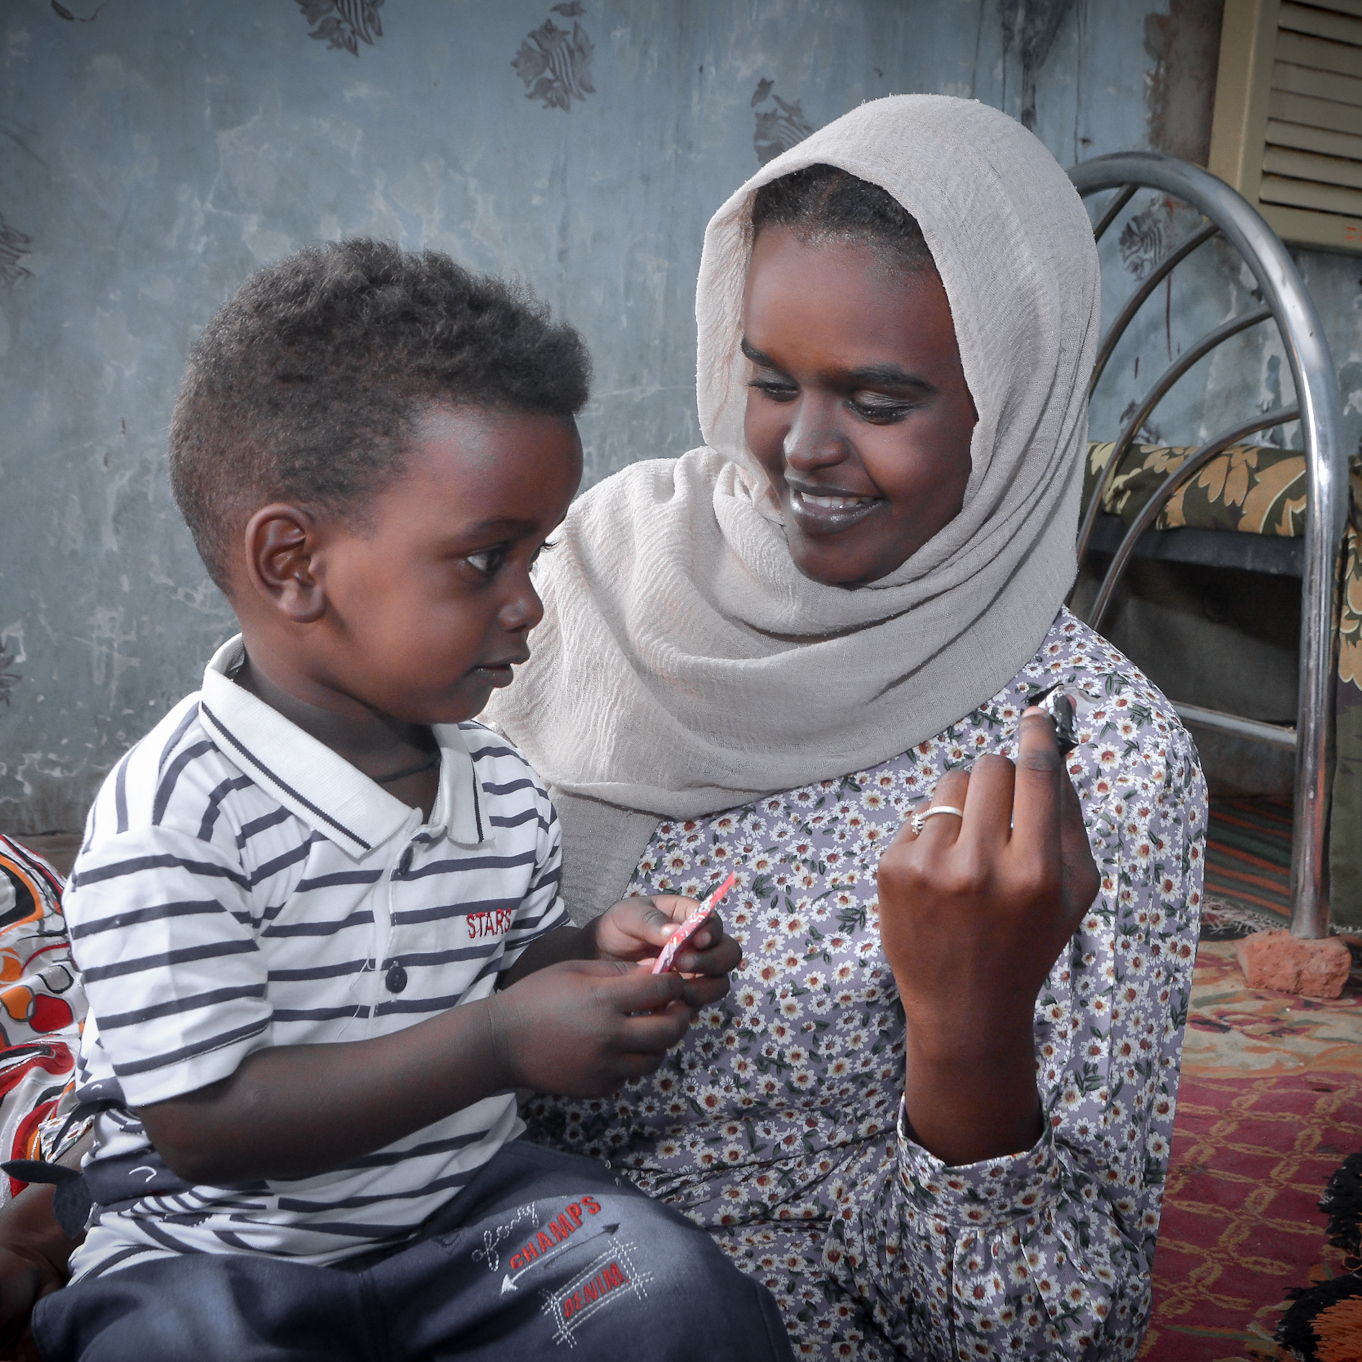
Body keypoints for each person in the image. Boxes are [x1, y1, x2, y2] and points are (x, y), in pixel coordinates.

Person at [486, 95, 1206, 1360]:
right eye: (770, 382)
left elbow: (1041, 1340)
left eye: (879, 402)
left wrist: (966, 1027)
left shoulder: (1103, 762)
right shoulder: (602, 562)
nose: (801, 452)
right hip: (436, 1217)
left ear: (1016, 406)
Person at [19, 242, 794, 1362]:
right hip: (216, 1250)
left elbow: (495, 970)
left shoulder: (504, 786)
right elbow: (204, 1128)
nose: (530, 605)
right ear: (295, 563)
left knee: (679, 1298)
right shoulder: (176, 813)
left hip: (466, 1220)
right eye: (486, 560)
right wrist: (500, 1044)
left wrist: (595, 955)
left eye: (540, 554)